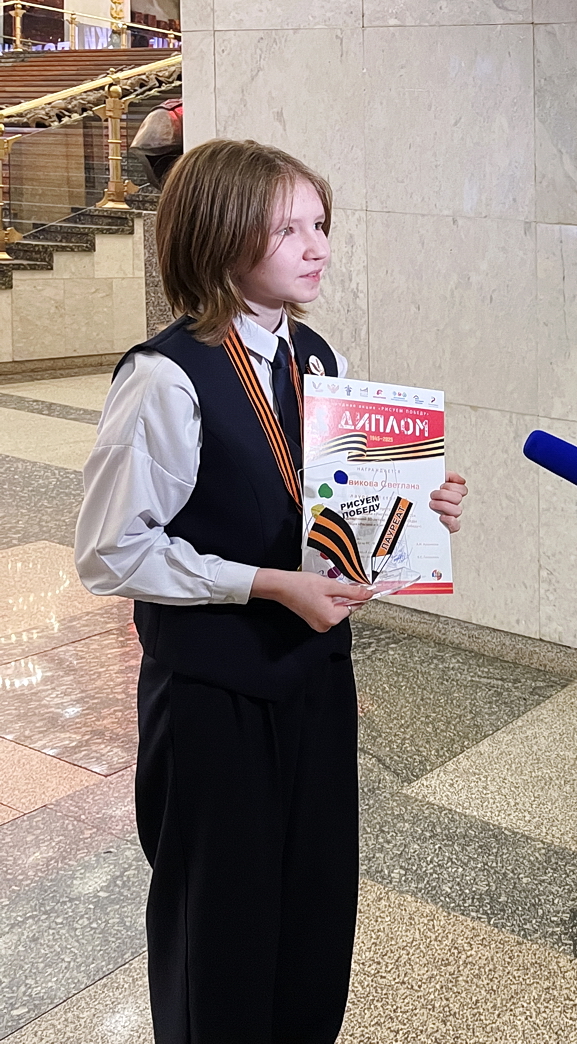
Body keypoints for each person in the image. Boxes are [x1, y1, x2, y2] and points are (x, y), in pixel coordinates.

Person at [74, 138, 469, 1044]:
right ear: (220, 235)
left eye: (320, 224)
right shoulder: (167, 376)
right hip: (214, 694)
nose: (317, 246)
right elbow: (109, 552)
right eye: (288, 228)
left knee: (314, 908)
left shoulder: (317, 357)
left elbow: (331, 513)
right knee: (220, 928)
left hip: (317, 679)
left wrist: (417, 508)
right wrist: (264, 584)